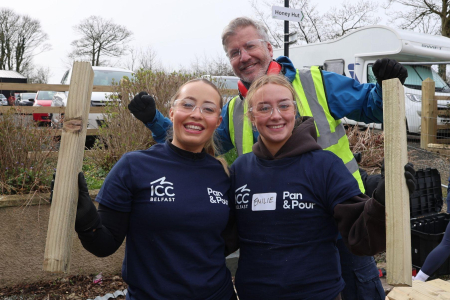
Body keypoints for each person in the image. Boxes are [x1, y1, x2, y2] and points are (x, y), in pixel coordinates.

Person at [128, 17, 408, 299]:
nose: (244, 56)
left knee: (362, 291)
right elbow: (197, 140)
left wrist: (387, 87)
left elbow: (373, 108)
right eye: (235, 53)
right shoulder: (235, 110)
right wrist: (156, 121)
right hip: (275, 234)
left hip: (344, 222)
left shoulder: (315, 82)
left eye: (250, 46)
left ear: (270, 48)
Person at [229, 74, 415, 299]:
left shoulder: (325, 166)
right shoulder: (240, 170)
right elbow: (221, 237)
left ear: (294, 111)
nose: (275, 115)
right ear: (251, 117)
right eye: (264, 108)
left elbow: (360, 237)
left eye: (284, 105)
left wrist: (384, 200)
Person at [71, 78, 237, 299]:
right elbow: (104, 244)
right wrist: (85, 220)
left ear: (218, 121)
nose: (196, 114)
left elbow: (226, 243)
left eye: (208, 109)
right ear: (171, 112)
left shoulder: (224, 175)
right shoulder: (133, 166)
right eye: (187, 104)